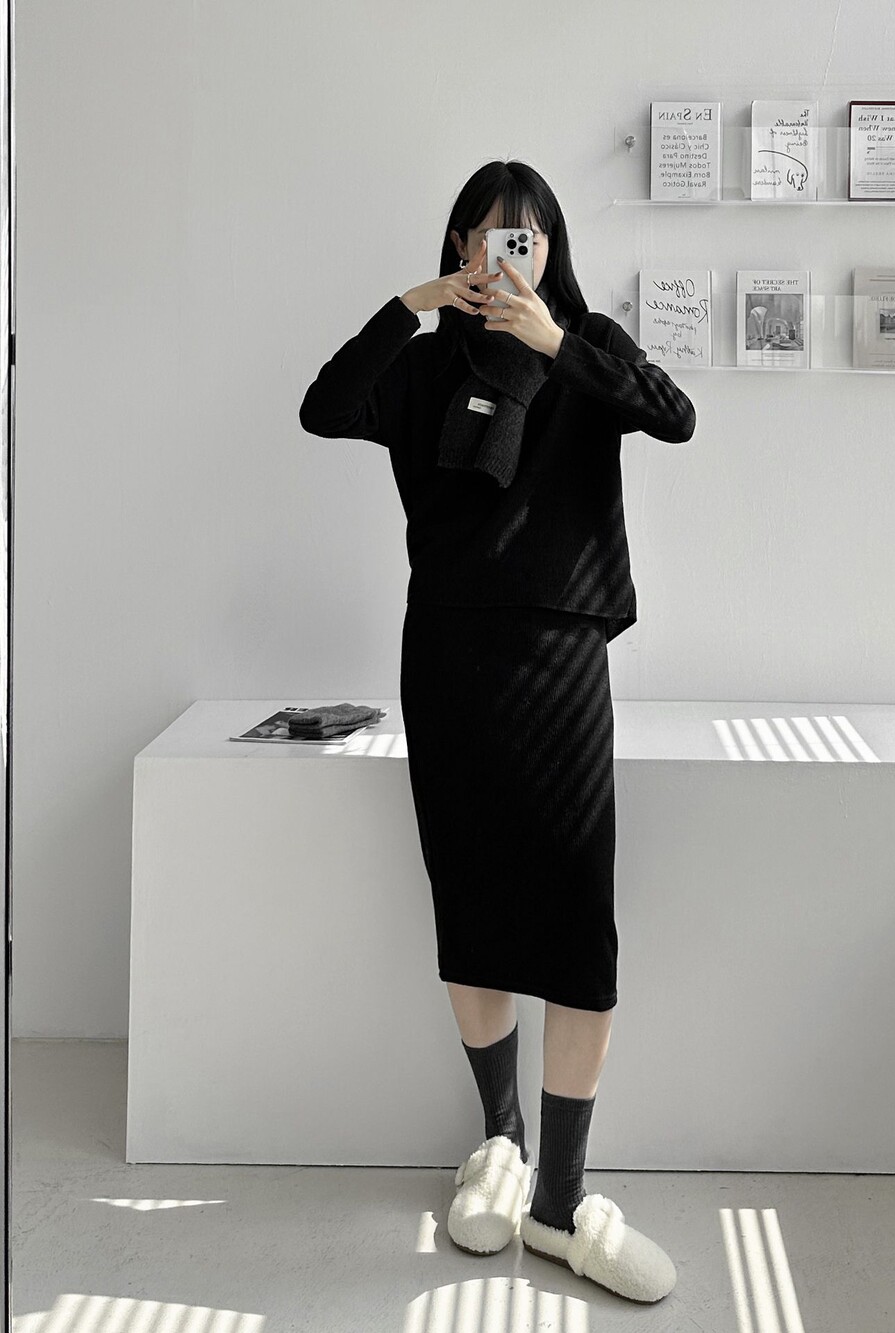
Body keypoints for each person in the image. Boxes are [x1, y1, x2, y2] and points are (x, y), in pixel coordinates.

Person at [299, 159, 696, 1303]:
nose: (501, 253)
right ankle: (502, 1142)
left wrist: (554, 340)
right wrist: (416, 304)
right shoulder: (425, 367)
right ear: (457, 247)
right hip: (450, 660)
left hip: (561, 663)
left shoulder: (589, 351)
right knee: (470, 908)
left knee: (577, 930)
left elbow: (674, 416)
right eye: (482, 236)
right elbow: (324, 406)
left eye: (522, 237)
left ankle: (562, 1200)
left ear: (550, 248)